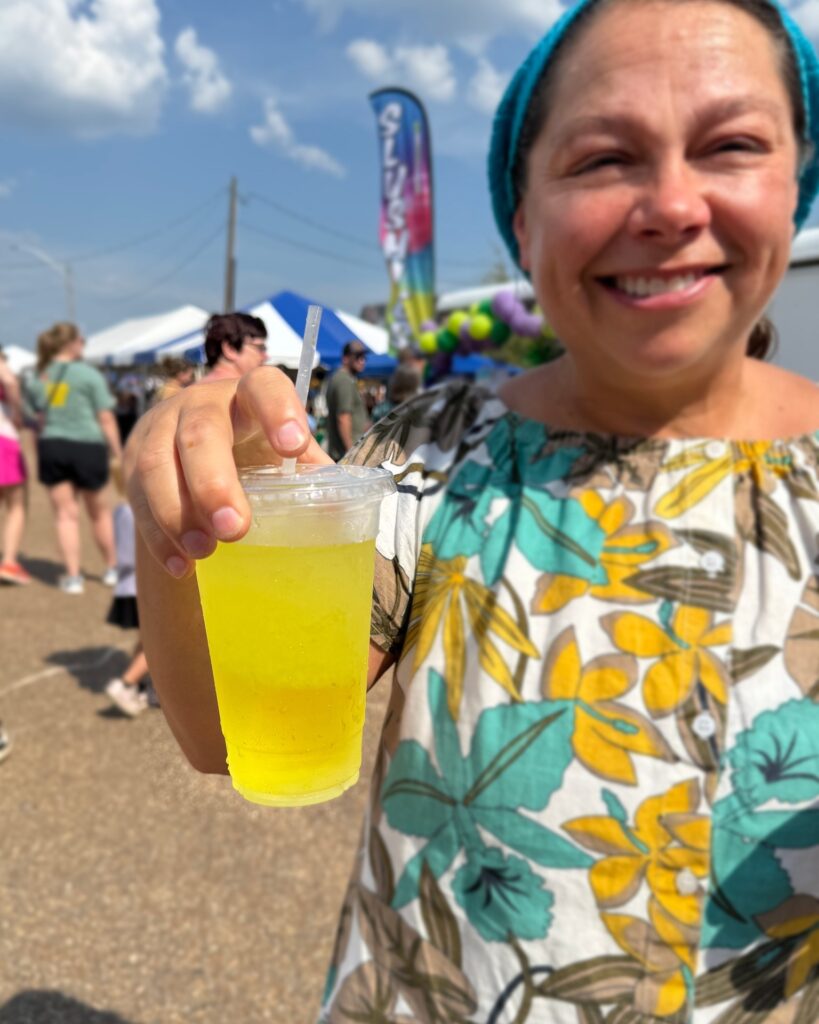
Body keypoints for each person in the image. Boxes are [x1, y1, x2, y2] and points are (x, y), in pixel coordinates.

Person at [125, 1, 819, 1020]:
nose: (672, 203)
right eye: (603, 158)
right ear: (522, 214)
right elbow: (224, 737)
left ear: (797, 179)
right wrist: (190, 514)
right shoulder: (433, 450)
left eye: (732, 145)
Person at [24, 322, 120, 595]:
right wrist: (117, 451)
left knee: (65, 516)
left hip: (53, 446)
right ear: (72, 343)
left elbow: (36, 420)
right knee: (99, 512)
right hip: (87, 446)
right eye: (81, 339)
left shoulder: (39, 377)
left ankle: (73, 576)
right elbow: (106, 417)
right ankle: (112, 568)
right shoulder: (88, 375)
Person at [103, 464, 151, 717]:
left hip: (127, 586)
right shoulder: (140, 512)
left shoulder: (122, 510)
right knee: (155, 645)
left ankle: (139, 687)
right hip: (140, 586)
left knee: (145, 638)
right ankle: (126, 683)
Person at [0, 347, 31, 584]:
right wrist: (18, 412)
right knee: (16, 504)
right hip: (3, 438)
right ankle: (9, 562)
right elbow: (9, 380)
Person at [325, 340, 370, 460]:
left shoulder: (345, 379)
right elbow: (343, 417)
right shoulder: (343, 380)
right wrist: (351, 452)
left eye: (364, 357)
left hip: (345, 453)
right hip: (345, 455)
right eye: (358, 357)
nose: (362, 360)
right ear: (345, 358)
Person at [203, 313, 268, 382]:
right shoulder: (242, 391)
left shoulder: (194, 389)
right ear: (230, 349)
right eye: (260, 348)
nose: (266, 356)